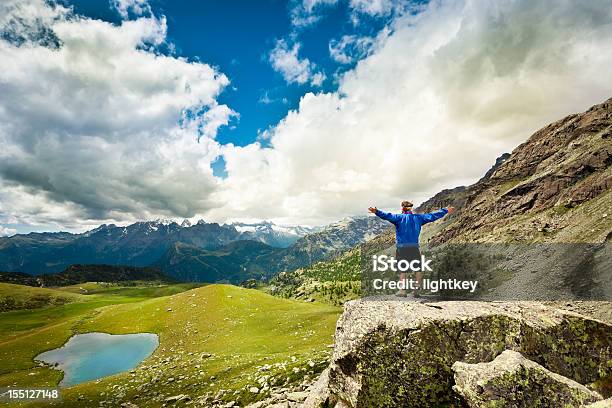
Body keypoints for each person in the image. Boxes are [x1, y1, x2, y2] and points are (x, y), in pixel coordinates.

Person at [369, 200, 455, 297]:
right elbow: (432, 216)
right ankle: (416, 290)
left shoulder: (399, 218)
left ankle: (402, 291)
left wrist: (376, 211)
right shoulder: (419, 218)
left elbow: (387, 215)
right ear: (411, 208)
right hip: (414, 247)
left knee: (402, 269)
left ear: (402, 208)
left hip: (402, 248)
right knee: (418, 268)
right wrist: (445, 210)